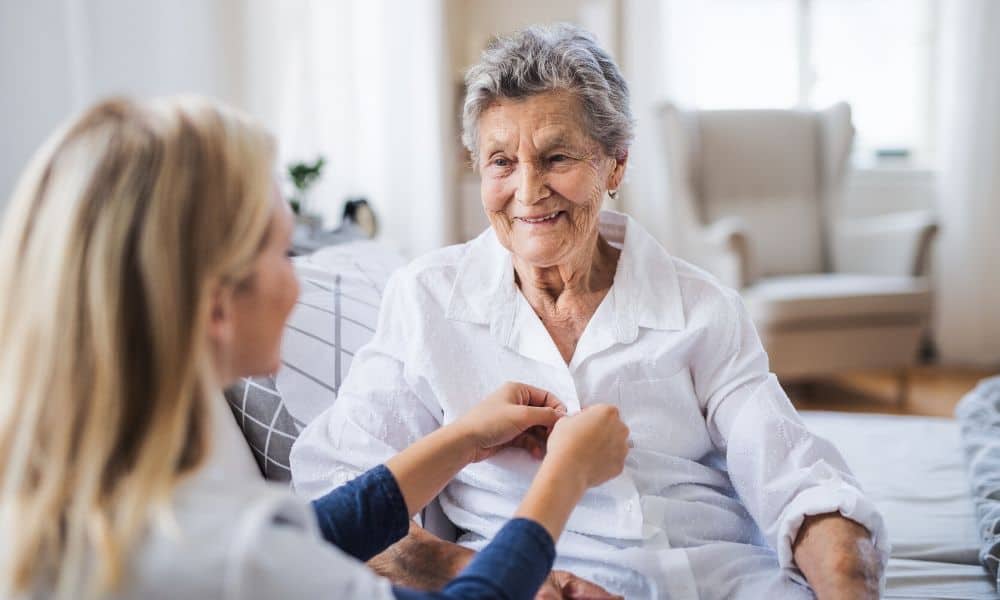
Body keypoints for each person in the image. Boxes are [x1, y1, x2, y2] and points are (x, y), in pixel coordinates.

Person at [291, 24, 888, 599]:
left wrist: (845, 580)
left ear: (616, 163)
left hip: (716, 580)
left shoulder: (702, 308)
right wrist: (475, 572)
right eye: (501, 162)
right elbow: (340, 488)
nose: (528, 191)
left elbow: (799, 482)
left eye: (557, 158)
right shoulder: (425, 300)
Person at [0, 96, 632, 600]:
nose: (299, 281)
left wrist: (462, 438)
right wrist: (565, 475)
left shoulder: (99, 507)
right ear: (217, 305)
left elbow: (315, 533)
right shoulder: (234, 557)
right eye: (283, 252)